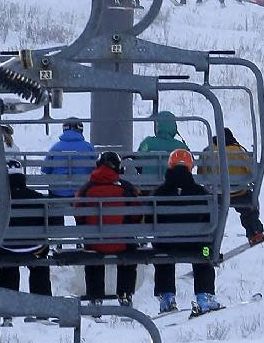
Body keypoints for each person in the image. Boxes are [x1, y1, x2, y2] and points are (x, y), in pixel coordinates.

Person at [153, 151, 220, 316]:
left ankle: (167, 297)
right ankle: (204, 295)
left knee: (162, 256)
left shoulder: (159, 192)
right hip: (197, 245)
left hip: (166, 245)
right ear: (191, 167)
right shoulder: (200, 192)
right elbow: (211, 219)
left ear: (170, 165)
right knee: (206, 252)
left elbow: (149, 219)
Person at [75, 150, 141, 308]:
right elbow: (136, 214)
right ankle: (125, 294)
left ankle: (95, 297)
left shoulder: (86, 188)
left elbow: (79, 215)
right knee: (130, 251)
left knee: (92, 253)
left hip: (95, 243)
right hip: (122, 243)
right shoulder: (126, 188)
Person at [0, 158, 52, 298]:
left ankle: (7, 305)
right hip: (35, 248)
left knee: (7, 264)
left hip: (6, 248)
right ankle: (42, 303)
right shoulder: (38, 198)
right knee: (40, 265)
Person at [197, 131, 264, 245]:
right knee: (248, 209)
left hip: (216, 194)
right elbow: (251, 172)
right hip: (239, 192)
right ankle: (255, 232)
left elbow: (201, 173)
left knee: (210, 213)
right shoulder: (239, 151)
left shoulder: (208, 151)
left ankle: (207, 242)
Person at [41, 118, 97, 199]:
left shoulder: (55, 148)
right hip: (82, 192)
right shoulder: (88, 148)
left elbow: (45, 170)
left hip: (57, 193)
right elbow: (95, 169)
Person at [135, 108, 191, 186]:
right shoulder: (181, 146)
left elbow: (138, 160)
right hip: (174, 187)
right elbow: (190, 164)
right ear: (174, 126)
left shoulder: (147, 143)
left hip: (148, 185)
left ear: (158, 125)